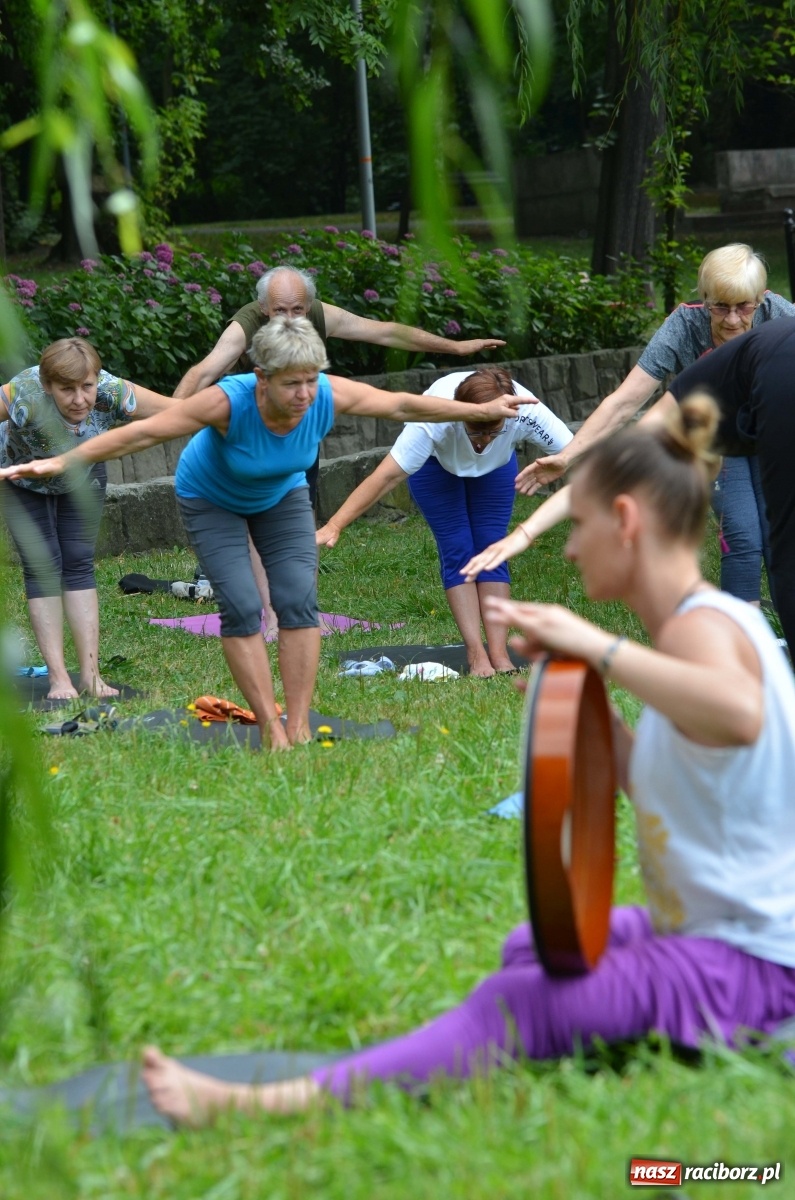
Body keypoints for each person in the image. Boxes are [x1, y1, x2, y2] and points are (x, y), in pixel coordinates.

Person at [140, 393, 795, 1124]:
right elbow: (690, 789)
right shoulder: (704, 626)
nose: (570, 549)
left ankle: (260, 1105)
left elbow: (738, 713)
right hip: (722, 936)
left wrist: (597, 647)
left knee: (518, 999)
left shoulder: (704, 631)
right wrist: (605, 727)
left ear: (625, 522)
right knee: (530, 947)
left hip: (757, 969)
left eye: (578, 527)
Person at [0, 319, 525, 747]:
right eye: (291, 383)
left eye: (311, 380)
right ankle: (270, 726)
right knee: (242, 606)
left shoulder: (325, 394)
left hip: (281, 493)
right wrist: (59, 462)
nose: (303, 394)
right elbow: (143, 433)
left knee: (297, 600)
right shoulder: (228, 402)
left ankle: (297, 722)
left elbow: (402, 406)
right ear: (262, 378)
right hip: (212, 499)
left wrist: (478, 410)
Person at [174, 265, 507, 632]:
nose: (290, 319)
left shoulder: (319, 322)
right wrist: (172, 419)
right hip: (249, 433)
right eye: (280, 310)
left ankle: (303, 611)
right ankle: (273, 617)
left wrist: (456, 348)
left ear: (308, 305)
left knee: (300, 516)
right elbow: (204, 371)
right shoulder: (244, 327)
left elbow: (385, 334)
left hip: (296, 432)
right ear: (264, 307)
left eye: (298, 310)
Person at [514, 244, 795, 606]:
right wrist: (567, 457)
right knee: (742, 535)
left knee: (781, 536)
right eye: (719, 307)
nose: (732, 319)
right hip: (717, 439)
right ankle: (739, 636)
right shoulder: (684, 326)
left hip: (774, 432)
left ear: (762, 298)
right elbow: (624, 401)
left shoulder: (780, 316)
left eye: (744, 307)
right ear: (704, 300)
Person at [315, 367, 572, 675]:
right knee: (458, 548)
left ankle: (499, 653)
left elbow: (579, 450)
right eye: (475, 432)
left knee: (493, 547)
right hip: (435, 466)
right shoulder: (432, 421)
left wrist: (564, 464)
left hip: (495, 470)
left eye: (494, 432)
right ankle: (476, 655)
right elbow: (386, 477)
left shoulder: (526, 411)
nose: (483, 442)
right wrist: (335, 524)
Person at [0, 337, 179, 700]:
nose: (80, 399)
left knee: (79, 562)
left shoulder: (112, 393)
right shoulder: (23, 394)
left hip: (81, 474)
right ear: (48, 385)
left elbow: (183, 411)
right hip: (21, 478)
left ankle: (91, 676)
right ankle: (58, 679)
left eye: (86, 386)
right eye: (67, 389)